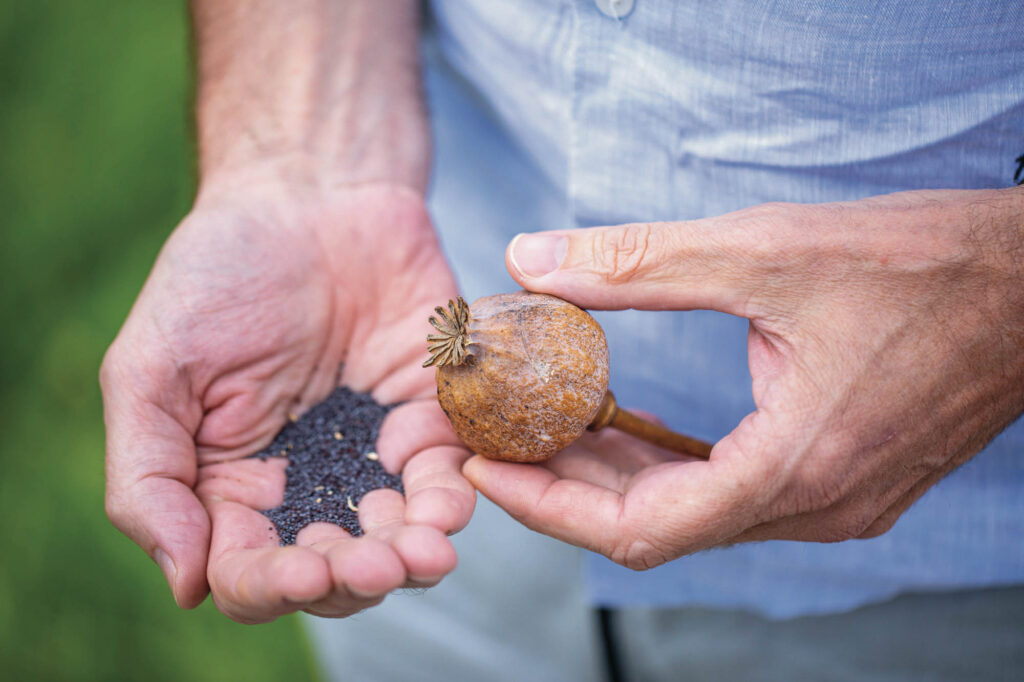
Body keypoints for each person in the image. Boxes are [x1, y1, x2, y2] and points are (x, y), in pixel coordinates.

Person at [101, 0, 1024, 678]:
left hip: (937, 574)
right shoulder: (448, 369)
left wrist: (1005, 295)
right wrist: (295, 164)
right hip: (432, 459)